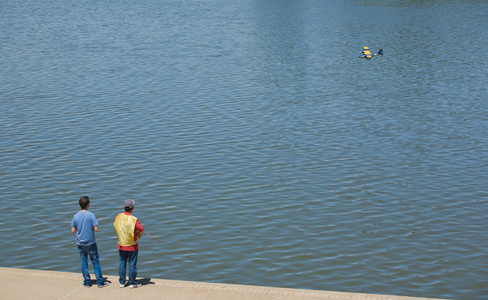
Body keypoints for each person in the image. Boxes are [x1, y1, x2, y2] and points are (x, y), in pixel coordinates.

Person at [71, 196, 109, 288]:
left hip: (80, 243)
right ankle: (100, 282)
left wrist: (79, 229)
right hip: (91, 242)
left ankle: (87, 282)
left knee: (84, 261)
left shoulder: (75, 216)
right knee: (95, 261)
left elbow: (73, 230)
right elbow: (96, 229)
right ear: (88, 205)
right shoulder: (91, 215)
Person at [114, 199, 144, 288]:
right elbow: (141, 230)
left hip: (121, 244)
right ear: (132, 208)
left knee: (122, 263)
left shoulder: (118, 216)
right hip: (132, 246)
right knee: (132, 264)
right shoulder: (133, 219)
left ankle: (122, 282)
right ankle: (132, 282)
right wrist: (138, 235)